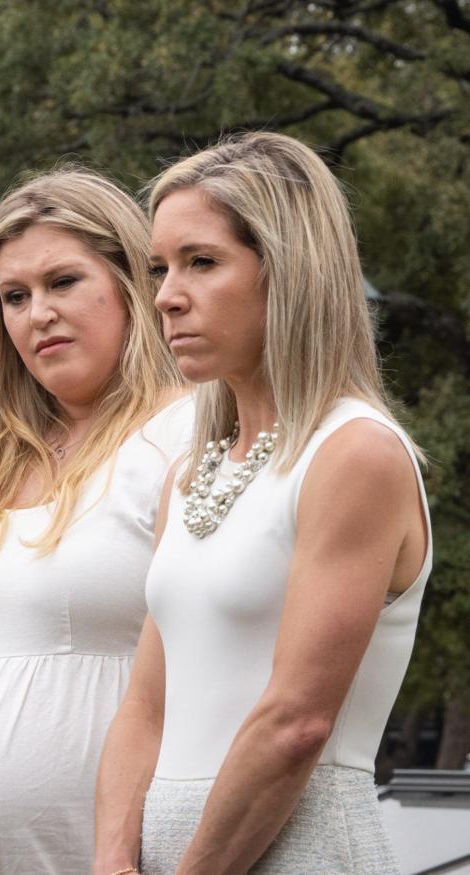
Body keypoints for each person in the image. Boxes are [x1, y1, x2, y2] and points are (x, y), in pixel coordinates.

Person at [93, 132, 431, 875]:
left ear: (288, 271)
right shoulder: (189, 472)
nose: (165, 295)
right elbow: (144, 706)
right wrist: (115, 858)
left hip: (303, 848)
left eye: (201, 262)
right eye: (160, 268)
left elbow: (296, 722)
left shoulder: (356, 453)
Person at [0, 168, 190, 873]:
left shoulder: (187, 434)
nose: (38, 314)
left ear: (131, 282)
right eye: (14, 296)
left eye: (63, 281)